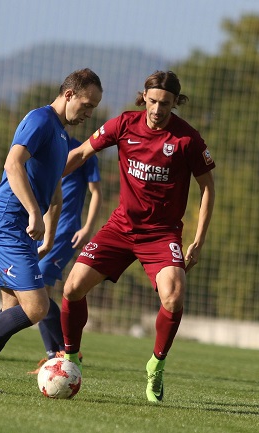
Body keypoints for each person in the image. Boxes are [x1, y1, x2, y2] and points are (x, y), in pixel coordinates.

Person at [60, 70, 216, 403]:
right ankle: (71, 360)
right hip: (120, 227)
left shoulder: (187, 139)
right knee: (72, 287)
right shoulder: (124, 124)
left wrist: (198, 241)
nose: (159, 110)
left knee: (174, 296)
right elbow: (81, 154)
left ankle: (156, 366)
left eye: (167, 104)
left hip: (161, 234)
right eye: (154, 101)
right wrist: (39, 182)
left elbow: (208, 188)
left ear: (176, 103)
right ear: (144, 96)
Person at [0, 68, 103, 392]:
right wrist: (34, 212)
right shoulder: (40, 120)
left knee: (13, 310)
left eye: (93, 109)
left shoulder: (61, 136)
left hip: (20, 229)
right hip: (7, 224)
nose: (89, 114)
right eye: (87, 105)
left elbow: (56, 193)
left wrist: (49, 235)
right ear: (69, 94)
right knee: (37, 307)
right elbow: (12, 164)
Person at [27, 134, 101, 374]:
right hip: (42, 227)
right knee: (37, 293)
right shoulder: (43, 143)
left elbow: (96, 192)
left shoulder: (81, 149)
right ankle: (55, 356)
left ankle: (65, 353)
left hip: (66, 230)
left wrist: (87, 228)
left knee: (39, 288)